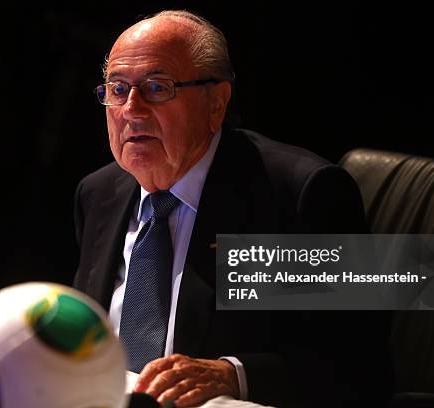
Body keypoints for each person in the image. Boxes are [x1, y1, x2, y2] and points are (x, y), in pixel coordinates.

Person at [73, 10, 392, 408]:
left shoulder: (295, 196)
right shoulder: (100, 194)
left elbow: (357, 368)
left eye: (157, 87)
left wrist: (233, 374)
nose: (131, 110)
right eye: (118, 90)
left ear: (216, 103)